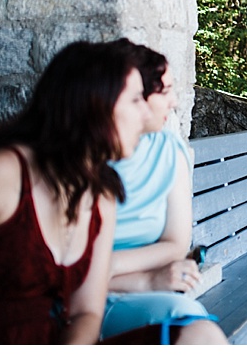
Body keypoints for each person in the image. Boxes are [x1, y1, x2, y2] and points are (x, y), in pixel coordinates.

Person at [0, 40, 150, 344]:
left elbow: (86, 312)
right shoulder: (2, 174)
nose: (146, 113)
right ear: (94, 102)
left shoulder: (102, 196)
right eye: (136, 99)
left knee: (198, 336)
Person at [100, 40, 228, 345]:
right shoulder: (82, 160)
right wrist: (138, 276)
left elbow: (175, 244)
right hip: (83, 298)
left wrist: (111, 267)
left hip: (135, 291)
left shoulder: (169, 152)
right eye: (165, 90)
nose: (173, 103)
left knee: (199, 332)